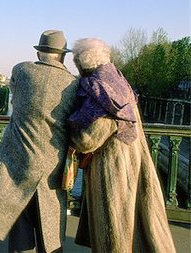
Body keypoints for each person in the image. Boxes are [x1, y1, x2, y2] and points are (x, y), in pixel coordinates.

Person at [0, 30, 78, 252]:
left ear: (40, 51)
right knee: (50, 225)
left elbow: (15, 93)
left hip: (17, 160)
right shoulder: (72, 84)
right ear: (62, 55)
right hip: (51, 166)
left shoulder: (21, 70)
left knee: (19, 219)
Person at [68, 38, 176, 252]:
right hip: (133, 159)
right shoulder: (119, 81)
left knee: (115, 224)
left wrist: (73, 140)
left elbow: (91, 137)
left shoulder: (98, 88)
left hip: (113, 167)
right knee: (136, 220)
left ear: (83, 62)